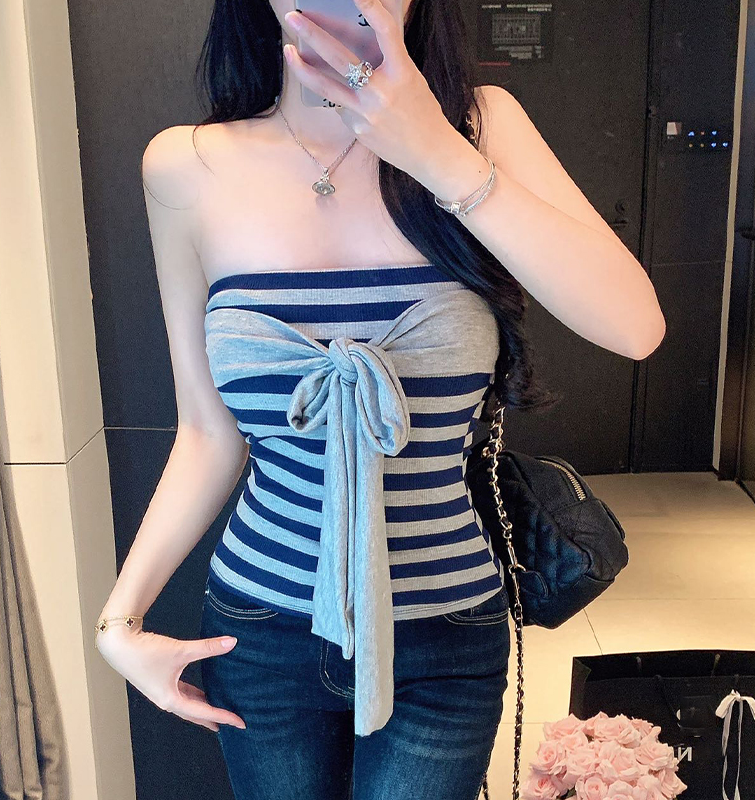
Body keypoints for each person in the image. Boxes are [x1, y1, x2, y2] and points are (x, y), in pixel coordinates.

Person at [94, 0, 666, 798]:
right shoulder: (185, 166)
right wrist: (120, 621)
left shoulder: (481, 127)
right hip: (260, 628)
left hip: (446, 630)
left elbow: (635, 328)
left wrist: (434, 150)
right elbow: (207, 433)